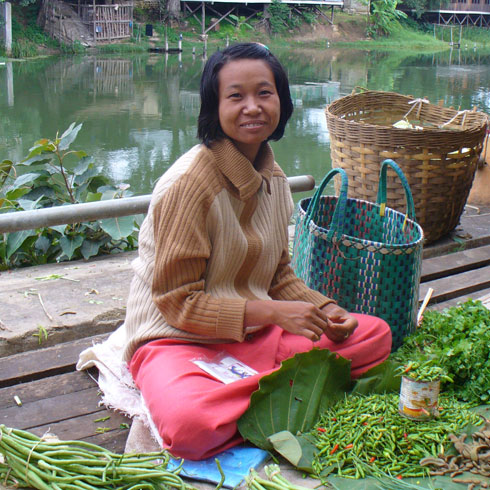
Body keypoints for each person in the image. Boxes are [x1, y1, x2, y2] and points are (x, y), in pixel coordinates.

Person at [80, 42, 392, 462]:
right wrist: (276, 315)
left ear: (281, 100)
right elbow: (178, 303)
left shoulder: (273, 177)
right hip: (178, 340)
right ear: (214, 107)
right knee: (189, 426)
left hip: (251, 338)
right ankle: (280, 393)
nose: (252, 107)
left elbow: (278, 274)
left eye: (264, 93)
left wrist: (325, 308)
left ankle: (254, 397)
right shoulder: (188, 186)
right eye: (236, 96)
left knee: (372, 335)